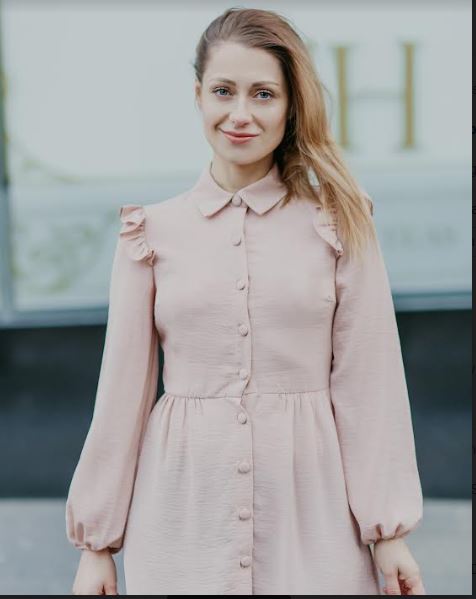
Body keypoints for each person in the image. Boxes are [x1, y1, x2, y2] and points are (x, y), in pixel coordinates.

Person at [65, 7, 425, 596]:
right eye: (223, 91)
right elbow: (121, 396)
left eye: (263, 94)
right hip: (182, 510)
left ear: (291, 106)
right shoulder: (150, 233)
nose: (240, 114)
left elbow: (370, 380)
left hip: (316, 511)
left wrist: (388, 531)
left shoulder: (339, 223)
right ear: (197, 97)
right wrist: (97, 547)